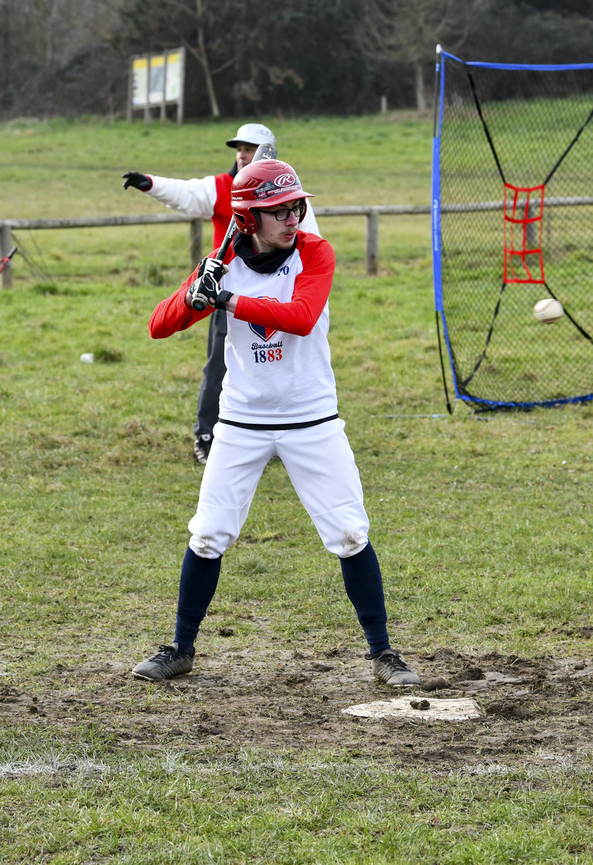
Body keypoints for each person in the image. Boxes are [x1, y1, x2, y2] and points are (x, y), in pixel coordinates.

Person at [131, 157, 419, 688]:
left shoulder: (315, 252)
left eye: (296, 207)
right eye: (278, 211)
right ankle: (181, 647)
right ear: (247, 219)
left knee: (350, 532)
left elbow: (302, 317)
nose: (293, 218)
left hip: (312, 419)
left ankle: (383, 652)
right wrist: (193, 295)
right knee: (208, 534)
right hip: (241, 422)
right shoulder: (222, 264)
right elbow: (157, 325)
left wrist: (229, 300)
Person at [122, 123, 318, 465]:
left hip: (274, 297)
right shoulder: (223, 188)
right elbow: (188, 193)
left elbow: (307, 245)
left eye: (250, 148)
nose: (242, 154)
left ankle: (280, 436)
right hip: (222, 282)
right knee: (219, 366)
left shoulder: (290, 199)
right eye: (239, 148)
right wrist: (150, 184)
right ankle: (207, 433)